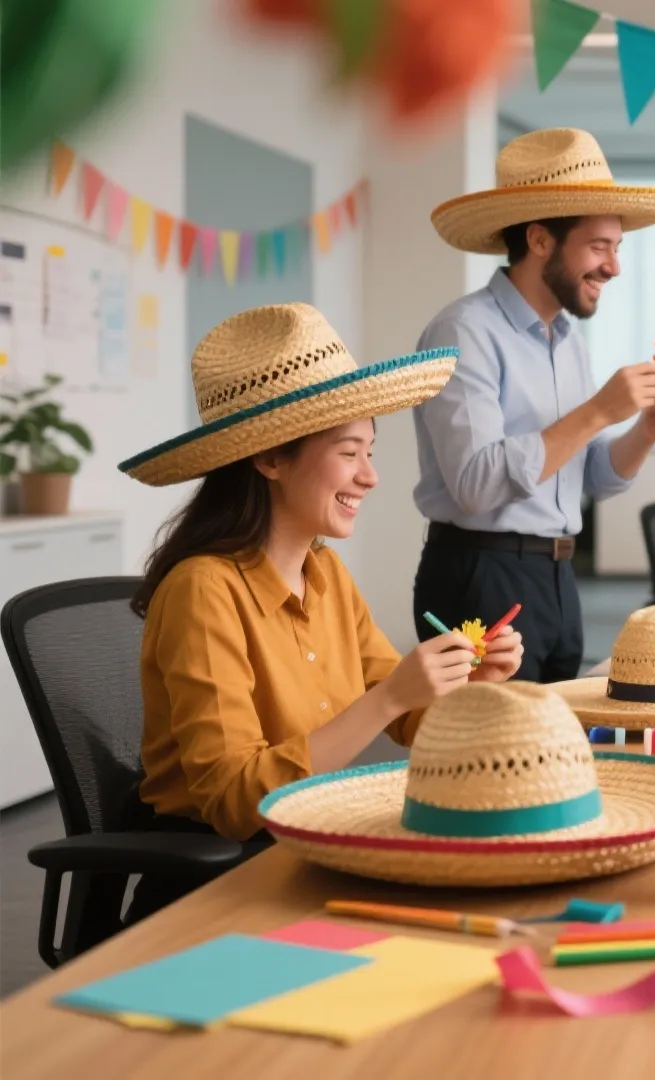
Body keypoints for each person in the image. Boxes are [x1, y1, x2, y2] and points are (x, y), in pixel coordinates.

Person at [118, 304, 523, 914]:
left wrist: (467, 683)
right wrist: (388, 699)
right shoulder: (203, 589)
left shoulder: (324, 571)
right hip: (225, 881)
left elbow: (408, 716)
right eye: (349, 452)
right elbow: (234, 802)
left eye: (370, 451)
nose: (370, 477)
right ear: (270, 459)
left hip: (309, 845)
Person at [413, 128, 655, 682]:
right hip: (481, 571)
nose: (614, 267)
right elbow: (475, 484)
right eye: (599, 247)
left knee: (555, 751)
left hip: (558, 577)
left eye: (617, 248)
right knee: (494, 756)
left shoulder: (567, 339)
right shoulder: (463, 331)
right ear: (540, 240)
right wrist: (596, 411)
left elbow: (589, 475)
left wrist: (645, 431)